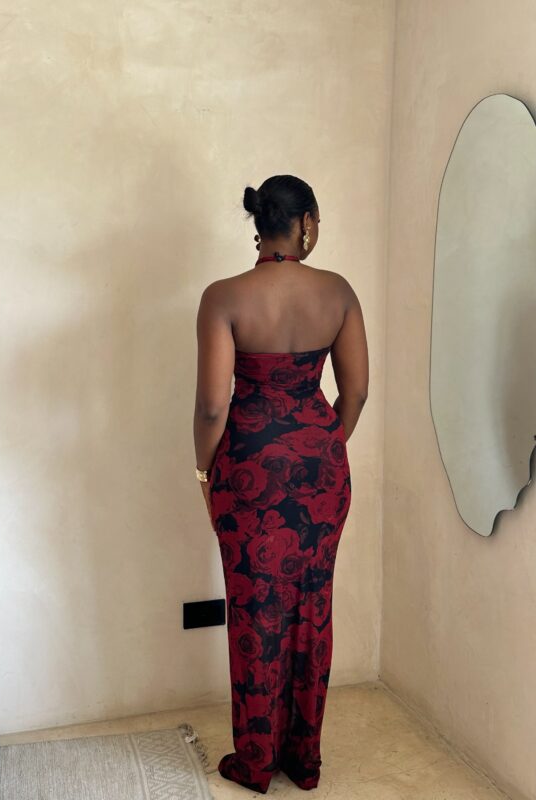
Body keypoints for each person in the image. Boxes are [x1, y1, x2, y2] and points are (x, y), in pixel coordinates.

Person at [192, 174, 369, 793]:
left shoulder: (223, 297)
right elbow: (356, 393)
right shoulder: (338, 292)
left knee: (254, 609)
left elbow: (212, 407)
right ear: (307, 223)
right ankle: (303, 758)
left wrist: (205, 471)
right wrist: (323, 445)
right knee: (311, 606)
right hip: (322, 469)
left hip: (247, 469)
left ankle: (256, 760)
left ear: (260, 225)